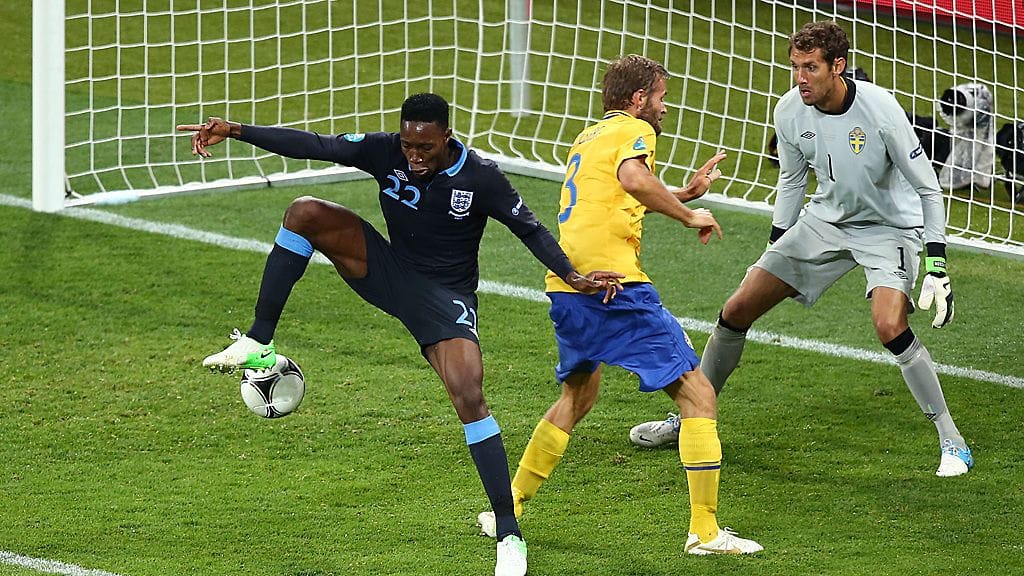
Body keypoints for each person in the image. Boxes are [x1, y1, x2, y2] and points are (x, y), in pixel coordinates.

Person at [176, 93, 623, 576]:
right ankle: (259, 341)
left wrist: (572, 275)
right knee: (304, 212)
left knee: (469, 394)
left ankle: (509, 533)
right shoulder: (385, 150)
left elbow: (530, 230)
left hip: (444, 298)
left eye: (424, 147)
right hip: (387, 269)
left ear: (446, 137)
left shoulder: (481, 177)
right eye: (408, 145)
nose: (413, 156)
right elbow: (315, 145)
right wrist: (237, 130)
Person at [628, 21, 974, 479]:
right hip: (824, 221)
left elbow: (928, 190)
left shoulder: (880, 109)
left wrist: (936, 265)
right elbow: (792, 181)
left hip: (889, 228)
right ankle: (690, 418)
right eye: (795, 66)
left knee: (890, 325)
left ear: (838, 66)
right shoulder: (790, 110)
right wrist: (776, 250)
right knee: (736, 309)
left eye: (810, 67)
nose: (800, 78)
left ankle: (952, 439)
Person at [477, 55, 762, 555]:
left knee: (577, 397)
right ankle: (705, 531)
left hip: (569, 283)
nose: (664, 108)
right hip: (617, 288)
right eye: (661, 97)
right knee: (698, 394)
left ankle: (508, 507)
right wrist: (688, 214)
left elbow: (615, 194)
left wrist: (682, 191)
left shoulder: (588, 137)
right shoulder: (636, 130)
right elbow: (632, 179)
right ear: (638, 99)